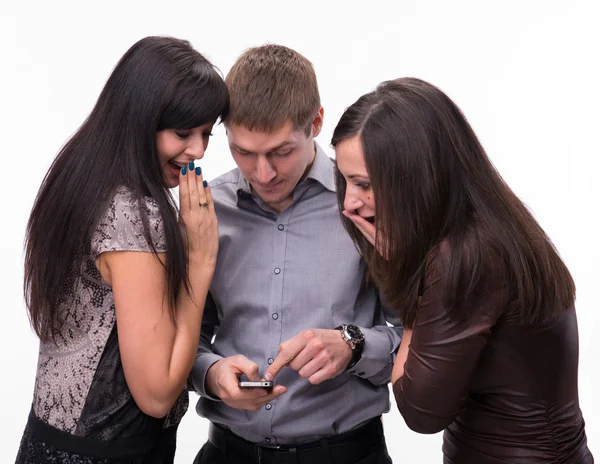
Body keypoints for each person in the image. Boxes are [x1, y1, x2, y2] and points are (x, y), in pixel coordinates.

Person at [332, 77, 594, 463]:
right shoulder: (491, 224)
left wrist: (407, 286)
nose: (349, 203)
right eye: (345, 180)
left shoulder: (466, 256)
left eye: (364, 184)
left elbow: (420, 411)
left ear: (416, 177)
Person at [16, 36, 228, 464]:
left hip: (46, 441)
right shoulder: (135, 214)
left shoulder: (81, 177)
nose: (198, 151)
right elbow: (156, 393)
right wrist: (201, 262)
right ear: (139, 119)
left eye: (206, 133)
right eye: (183, 132)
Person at [188, 44, 402, 464]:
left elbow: (413, 334)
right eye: (243, 152)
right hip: (226, 454)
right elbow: (182, 334)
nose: (263, 173)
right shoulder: (205, 208)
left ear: (316, 122)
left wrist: (352, 345)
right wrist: (210, 374)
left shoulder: (366, 202)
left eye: (281, 152)